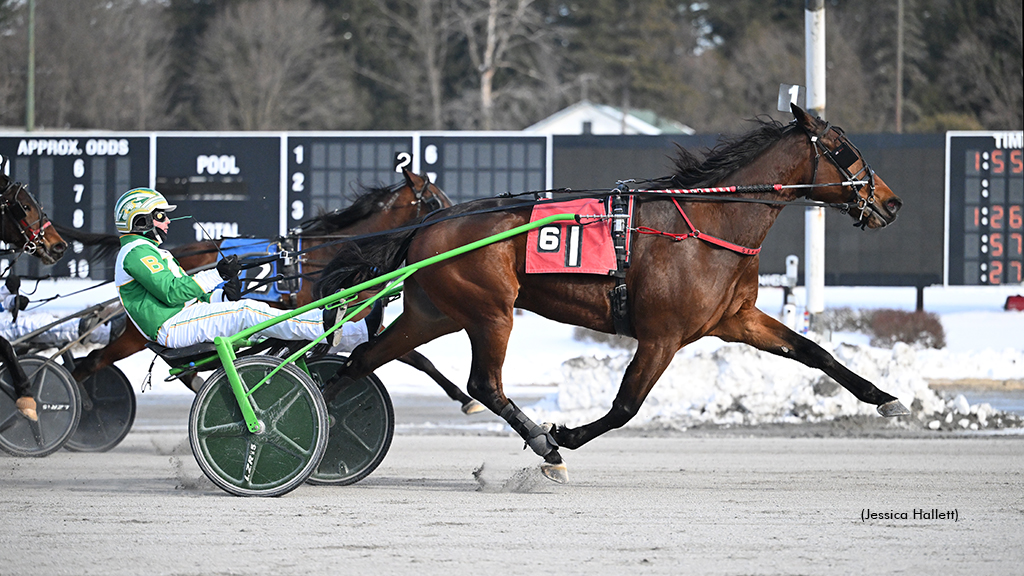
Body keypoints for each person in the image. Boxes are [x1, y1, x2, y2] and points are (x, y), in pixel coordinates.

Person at [112, 187, 373, 352]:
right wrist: (217, 274)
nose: (167, 221)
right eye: (160, 216)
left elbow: (184, 297)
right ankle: (324, 324)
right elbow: (171, 293)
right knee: (247, 311)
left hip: (181, 318)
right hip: (170, 327)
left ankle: (353, 335)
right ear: (140, 220)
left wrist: (222, 296)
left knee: (255, 314)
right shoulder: (136, 252)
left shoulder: (148, 251)